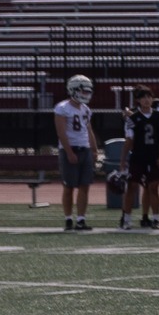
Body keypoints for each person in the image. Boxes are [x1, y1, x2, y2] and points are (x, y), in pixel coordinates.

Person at [119, 87, 159, 230]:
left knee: (153, 188)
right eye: (143, 97)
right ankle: (126, 219)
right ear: (138, 100)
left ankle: (156, 219)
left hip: (153, 156)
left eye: (149, 97)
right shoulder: (133, 118)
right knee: (132, 187)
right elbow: (129, 140)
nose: (147, 100)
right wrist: (123, 159)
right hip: (138, 156)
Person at [53, 73, 96, 230]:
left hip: (84, 148)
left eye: (87, 91)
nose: (86, 94)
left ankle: (81, 219)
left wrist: (94, 148)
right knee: (69, 186)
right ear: (74, 90)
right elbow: (61, 132)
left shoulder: (85, 109)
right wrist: (69, 151)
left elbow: (88, 129)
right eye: (83, 91)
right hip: (70, 149)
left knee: (85, 186)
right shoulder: (62, 108)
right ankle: (68, 218)